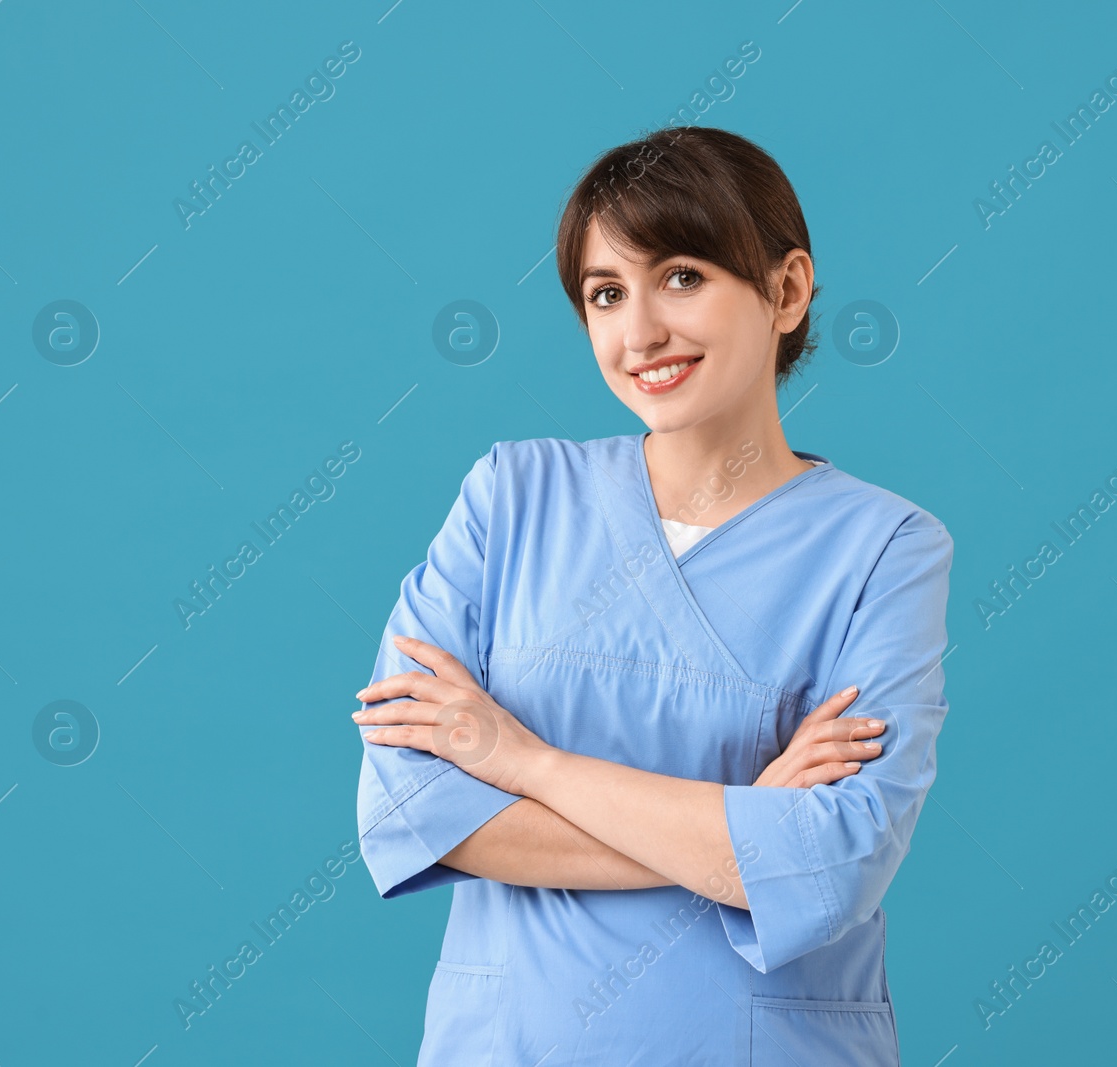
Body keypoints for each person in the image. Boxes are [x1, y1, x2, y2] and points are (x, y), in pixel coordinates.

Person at [351, 125, 953, 1066]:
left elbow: (833, 862)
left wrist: (525, 762)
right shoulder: (510, 498)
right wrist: (743, 829)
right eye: (605, 293)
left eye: (682, 276)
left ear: (787, 291)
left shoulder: (885, 549)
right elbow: (409, 804)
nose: (640, 334)